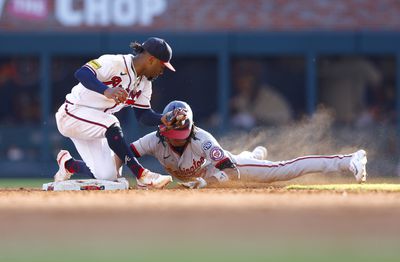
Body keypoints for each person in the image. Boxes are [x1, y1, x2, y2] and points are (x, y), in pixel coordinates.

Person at [125, 100, 367, 189]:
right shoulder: (154, 140)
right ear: (164, 128)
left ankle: (348, 160)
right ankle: (253, 154)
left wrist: (207, 181)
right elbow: (125, 153)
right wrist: (130, 173)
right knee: (250, 160)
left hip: (225, 168)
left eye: (183, 132)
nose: (179, 137)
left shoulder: (202, 139)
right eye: (175, 132)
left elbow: (231, 170)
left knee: (280, 170)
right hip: (202, 177)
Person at [53, 37, 185, 189]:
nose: (162, 71)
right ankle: (142, 174)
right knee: (111, 122)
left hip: (95, 124)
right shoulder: (116, 62)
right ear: (151, 59)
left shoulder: (144, 84)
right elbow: (82, 73)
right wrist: (106, 90)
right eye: (162, 66)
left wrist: (163, 119)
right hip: (72, 114)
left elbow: (143, 116)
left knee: (108, 176)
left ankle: (68, 164)